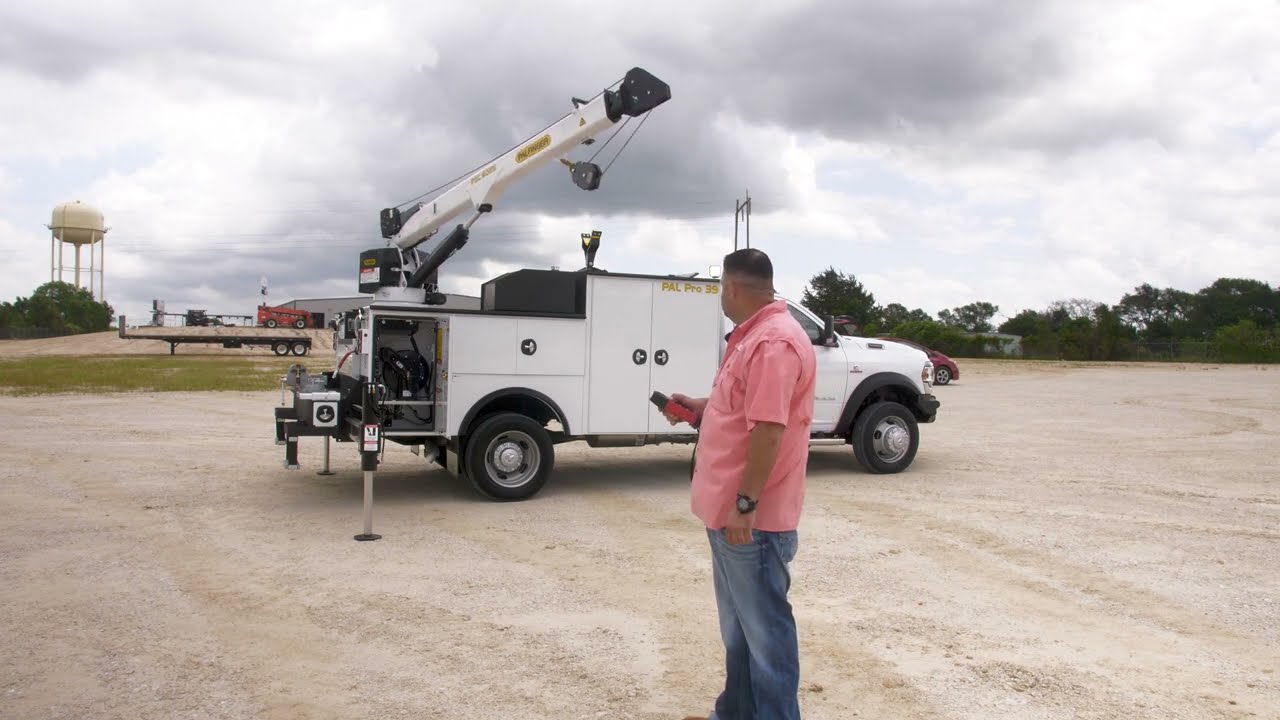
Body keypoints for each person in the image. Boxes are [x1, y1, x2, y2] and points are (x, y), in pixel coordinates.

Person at [664, 248, 817, 720]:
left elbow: (770, 430)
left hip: (752, 522)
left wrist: (745, 506)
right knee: (740, 633)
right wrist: (702, 405)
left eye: (720, 291)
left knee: (766, 637)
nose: (721, 300)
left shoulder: (773, 343)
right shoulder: (754, 338)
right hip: (730, 514)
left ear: (732, 287)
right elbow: (744, 405)